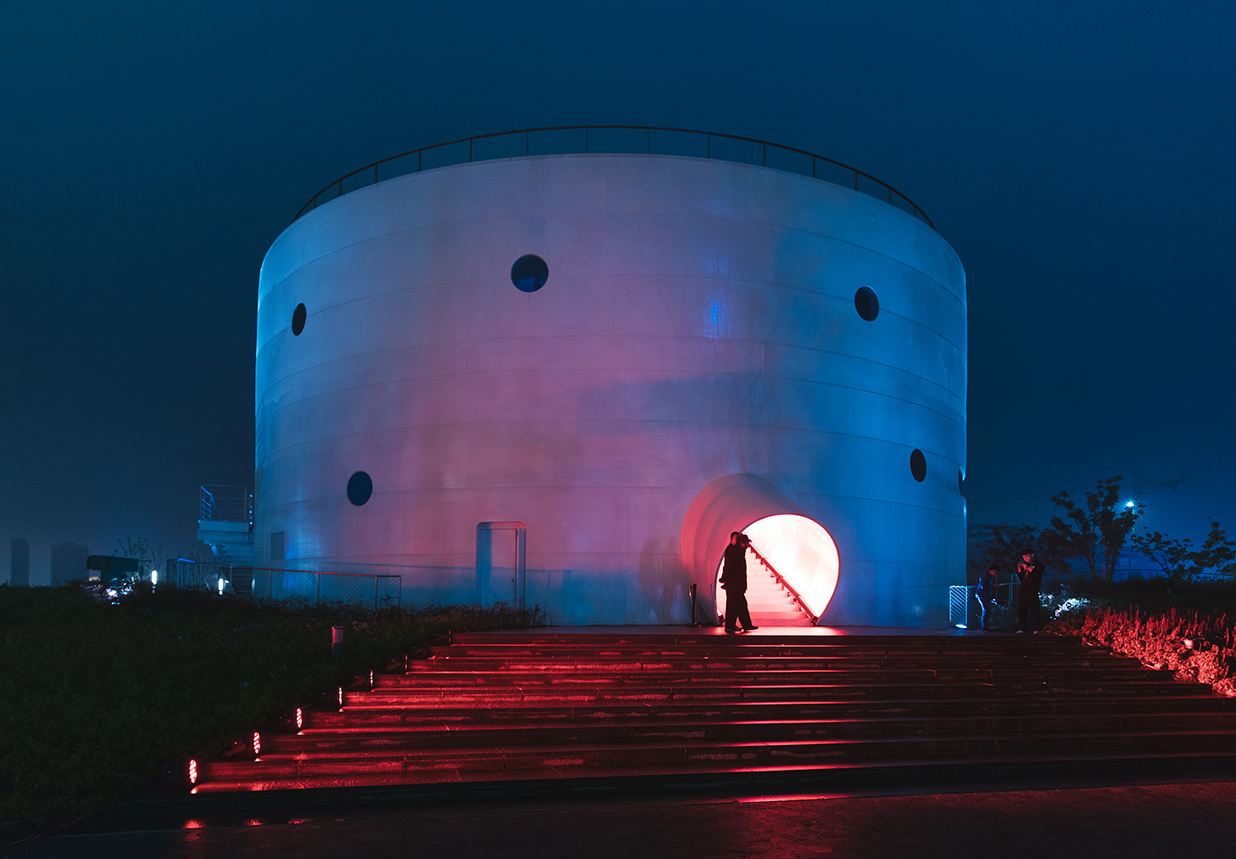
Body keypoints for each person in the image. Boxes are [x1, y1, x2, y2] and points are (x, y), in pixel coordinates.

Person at [720, 532, 758, 633]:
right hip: (735, 585)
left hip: (735, 584)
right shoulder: (735, 552)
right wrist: (724, 578)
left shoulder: (737, 552)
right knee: (735, 605)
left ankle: (741, 625)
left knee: (738, 605)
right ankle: (735, 625)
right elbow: (730, 568)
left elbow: (729, 567)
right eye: (746, 543)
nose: (747, 545)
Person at [1016, 550, 1044, 634]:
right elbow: (1021, 578)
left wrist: (1029, 568)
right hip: (1022, 589)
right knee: (1022, 609)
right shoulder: (1025, 565)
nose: (1026, 559)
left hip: (1032, 589)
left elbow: (1037, 576)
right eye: (1024, 557)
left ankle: (1037, 628)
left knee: (1034, 609)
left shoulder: (1038, 564)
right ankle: (1022, 628)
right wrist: (1020, 570)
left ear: (1032, 555)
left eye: (1027, 556)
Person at [975, 564, 998, 631]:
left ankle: (985, 626)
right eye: (995, 572)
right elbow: (984, 586)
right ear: (992, 570)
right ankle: (984, 627)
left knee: (986, 610)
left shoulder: (987, 576)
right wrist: (994, 587)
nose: (995, 574)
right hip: (982, 596)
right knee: (986, 610)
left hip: (983, 596)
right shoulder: (986, 576)